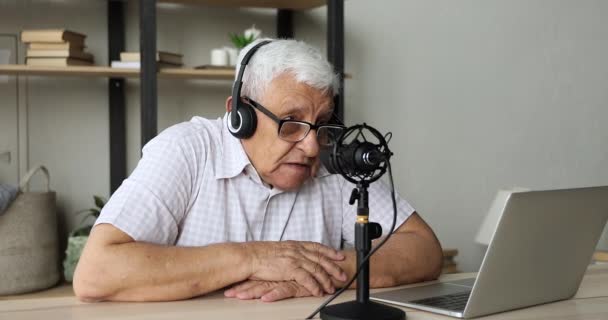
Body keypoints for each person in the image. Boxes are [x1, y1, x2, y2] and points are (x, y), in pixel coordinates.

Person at [73, 39, 443, 303]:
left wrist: (328, 272)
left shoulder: (331, 158)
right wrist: (253, 257)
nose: (312, 146)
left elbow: (424, 249)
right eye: (291, 122)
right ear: (240, 115)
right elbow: (96, 273)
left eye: (323, 123)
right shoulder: (185, 150)